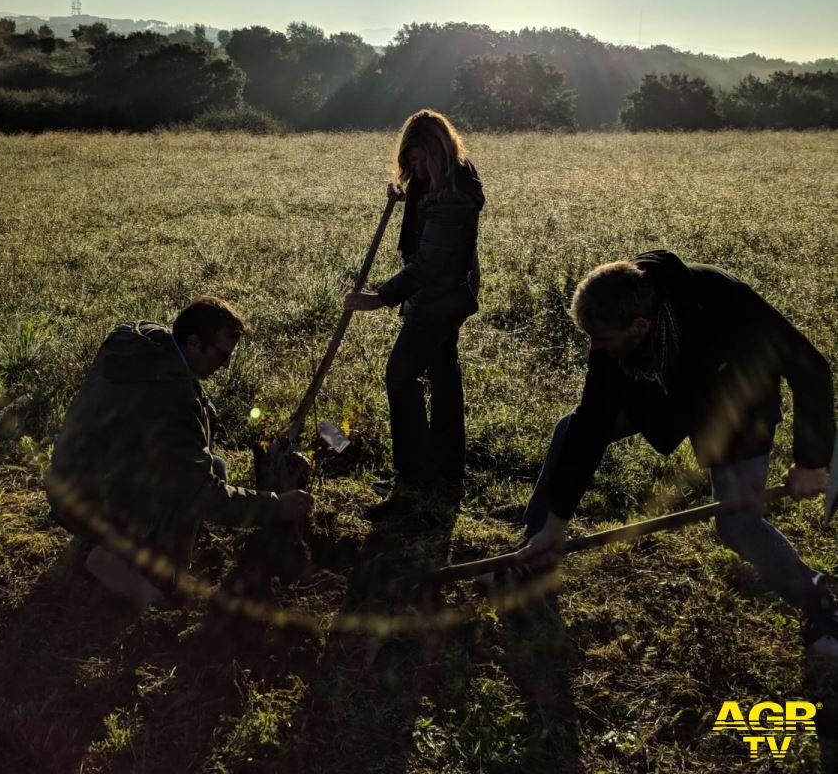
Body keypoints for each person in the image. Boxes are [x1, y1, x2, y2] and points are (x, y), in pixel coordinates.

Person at [515, 251, 838, 659]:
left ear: (640, 326)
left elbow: (809, 367)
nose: (594, 348)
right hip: (660, 394)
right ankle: (535, 549)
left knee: (738, 526)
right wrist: (557, 523)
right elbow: (592, 422)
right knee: (570, 430)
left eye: (601, 339)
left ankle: (817, 601)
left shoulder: (724, 303)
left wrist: (811, 462)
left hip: (735, 401)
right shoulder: (614, 327)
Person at [47, 295, 312, 607]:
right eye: (222, 354)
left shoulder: (137, 341)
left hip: (70, 483)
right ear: (194, 342)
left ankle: (108, 538)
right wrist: (275, 505)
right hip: (93, 496)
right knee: (195, 486)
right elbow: (202, 494)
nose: (226, 365)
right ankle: (121, 563)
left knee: (213, 466)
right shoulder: (172, 399)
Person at [344, 109, 485, 513]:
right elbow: (429, 225)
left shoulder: (453, 196)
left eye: (420, 159)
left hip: (439, 299)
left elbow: (429, 265)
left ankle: (413, 475)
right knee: (443, 374)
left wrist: (380, 298)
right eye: (409, 160)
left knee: (400, 374)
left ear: (439, 152)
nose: (414, 167)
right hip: (445, 294)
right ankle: (444, 467)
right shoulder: (442, 182)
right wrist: (407, 195)